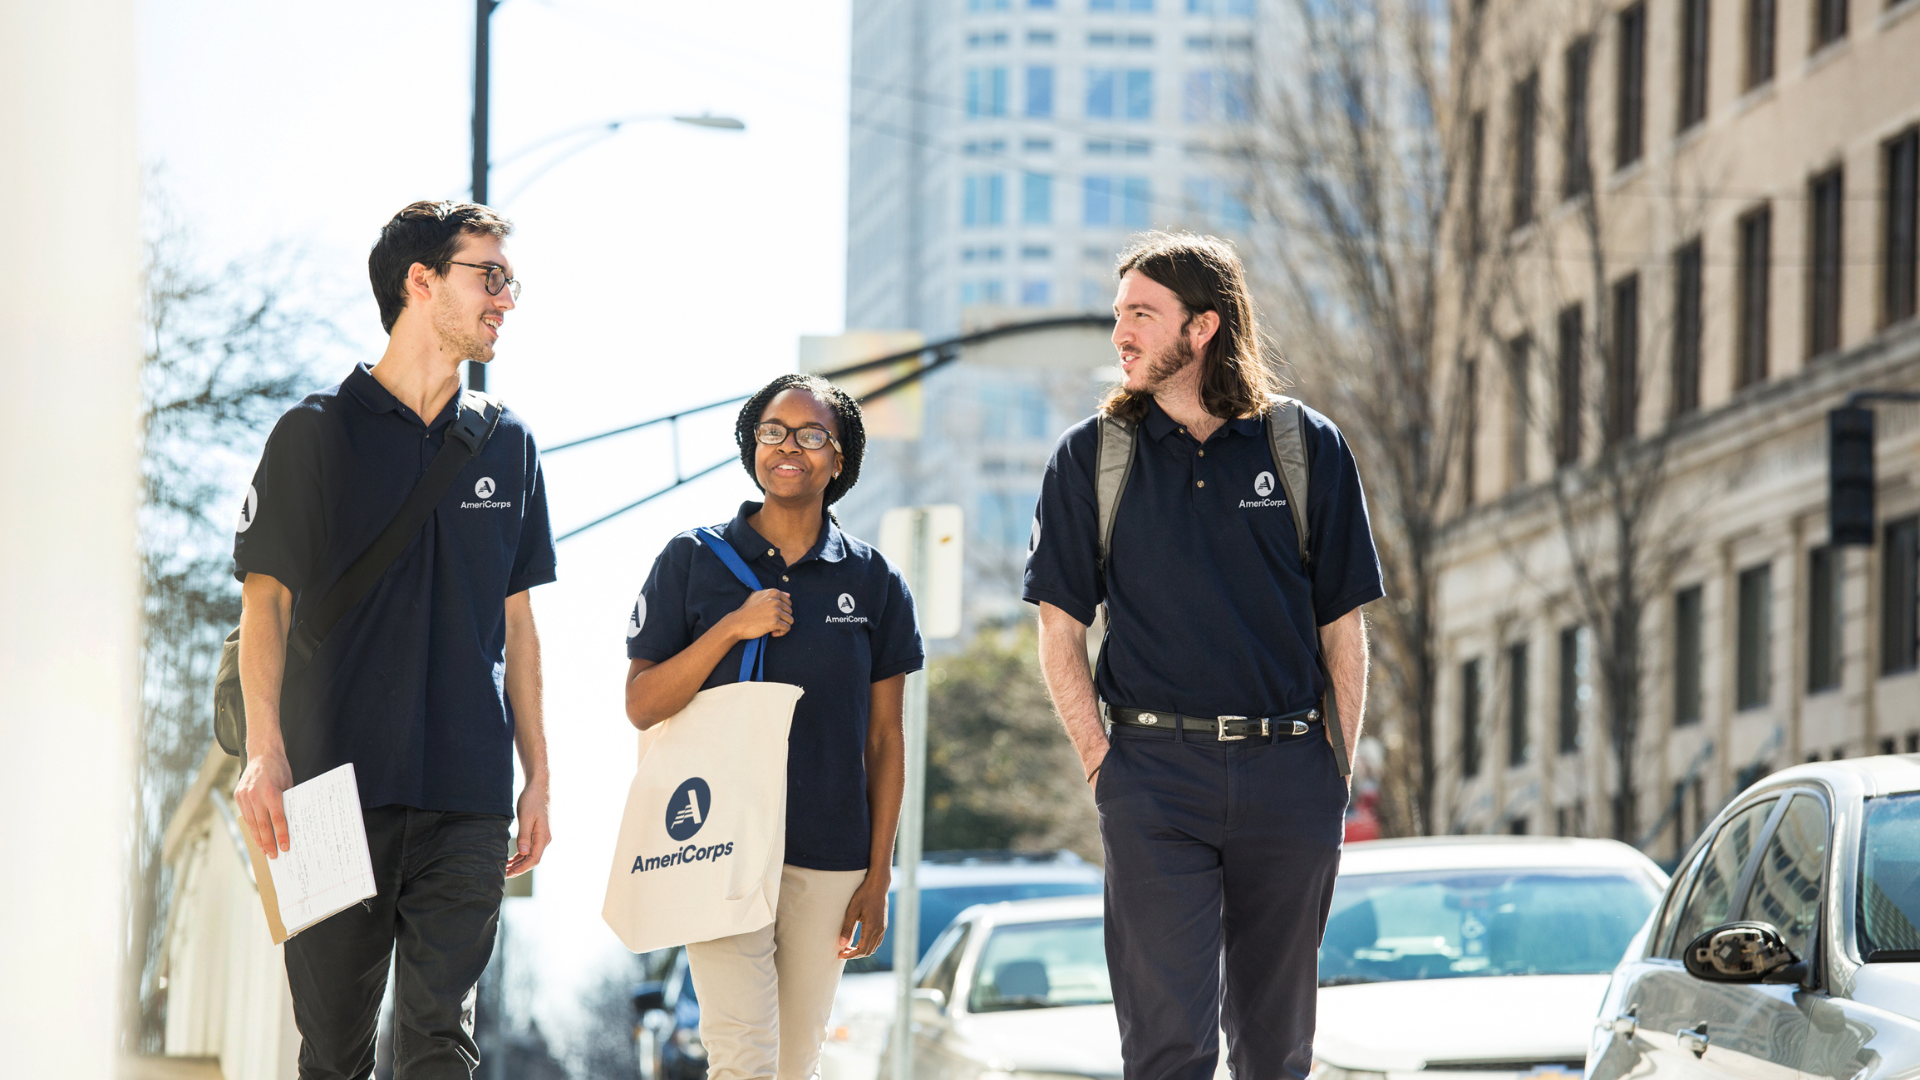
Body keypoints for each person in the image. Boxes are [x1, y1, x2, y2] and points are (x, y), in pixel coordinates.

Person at [1023, 232, 1381, 1080]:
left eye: (1142, 315)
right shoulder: (1092, 457)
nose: (1122, 335)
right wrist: (1104, 766)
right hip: (1152, 777)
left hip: (1290, 772)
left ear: (1204, 326)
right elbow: (1059, 632)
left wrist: (1334, 769)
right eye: (1120, 316)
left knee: (1275, 1050)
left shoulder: (1304, 448)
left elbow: (1344, 627)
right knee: (1167, 1047)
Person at [231, 200, 556, 1079]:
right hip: (329, 790)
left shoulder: (509, 445)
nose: (506, 299)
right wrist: (265, 752)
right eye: (489, 276)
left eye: (508, 280)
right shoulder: (314, 433)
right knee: (334, 1048)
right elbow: (266, 606)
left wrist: (539, 781)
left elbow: (519, 629)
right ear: (422, 281)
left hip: (469, 798)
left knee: (438, 1041)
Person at [623, 373, 923, 1080]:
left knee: (796, 1063)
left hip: (829, 855)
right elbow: (642, 702)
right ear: (751, 446)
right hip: (715, 847)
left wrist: (879, 873)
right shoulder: (691, 561)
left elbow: (884, 740)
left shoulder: (876, 582)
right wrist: (733, 626)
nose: (790, 447)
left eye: (813, 434)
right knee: (743, 1059)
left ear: (840, 457)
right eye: (773, 432)